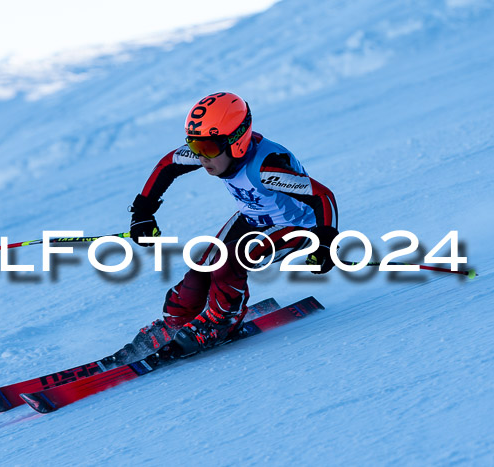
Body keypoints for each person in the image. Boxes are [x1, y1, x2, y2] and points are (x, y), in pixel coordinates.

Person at [119, 91, 338, 361]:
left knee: (227, 261)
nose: (202, 158)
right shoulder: (215, 150)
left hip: (297, 227)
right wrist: (143, 212)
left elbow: (322, 196)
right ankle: (175, 322)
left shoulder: (267, 169)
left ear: (237, 142)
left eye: (208, 149)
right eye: (195, 146)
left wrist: (326, 242)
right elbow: (169, 164)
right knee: (201, 268)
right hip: (253, 218)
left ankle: (220, 323)